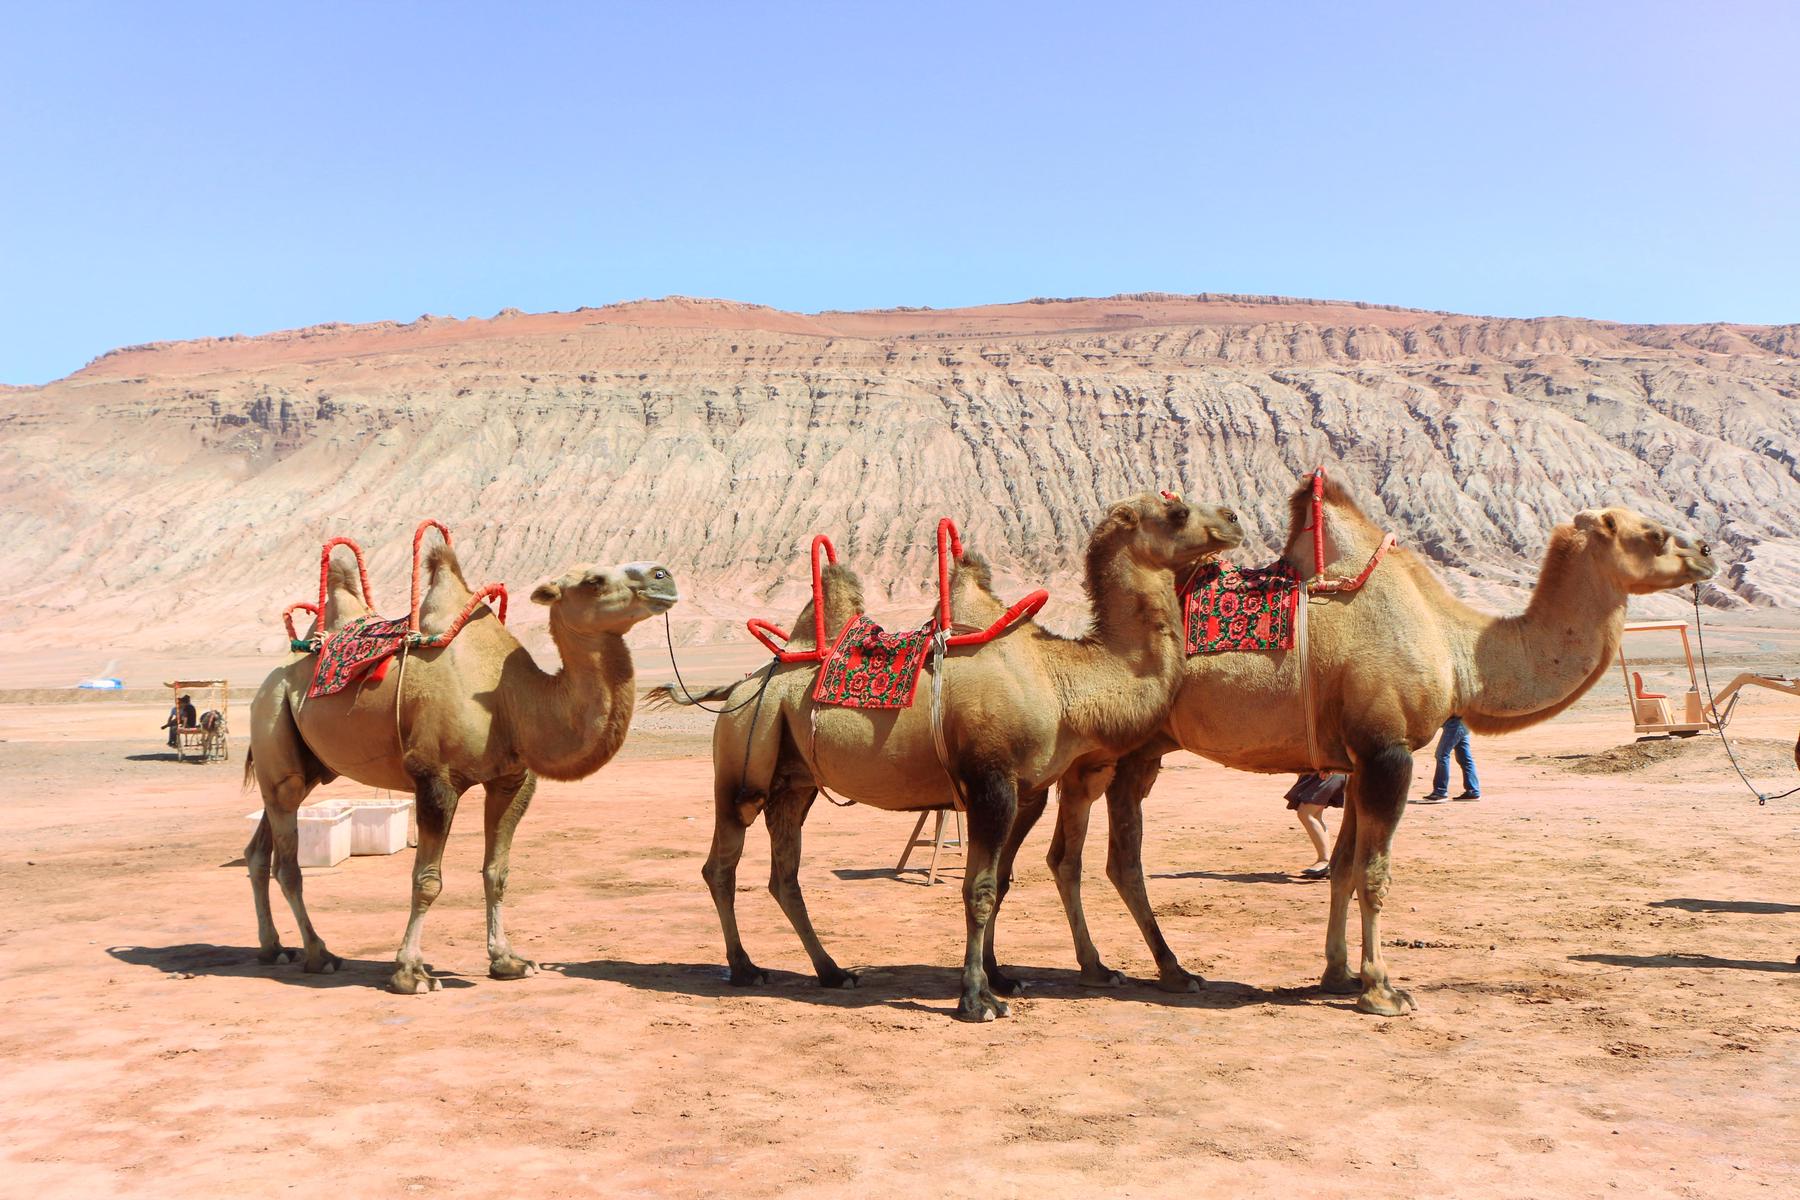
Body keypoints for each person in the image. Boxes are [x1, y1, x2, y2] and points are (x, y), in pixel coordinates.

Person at [1283, 771, 1347, 878]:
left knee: (1306, 813)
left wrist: (1329, 766)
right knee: (1313, 815)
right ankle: (1326, 861)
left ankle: (1325, 860)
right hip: (1319, 771)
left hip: (1328, 770)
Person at [1420, 714, 1480, 803]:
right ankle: (1473, 791)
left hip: (1455, 723)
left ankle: (1440, 792)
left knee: (1441, 755)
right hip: (1464, 721)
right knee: (1464, 758)